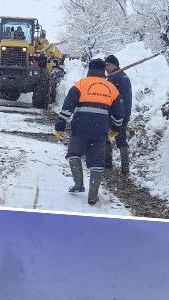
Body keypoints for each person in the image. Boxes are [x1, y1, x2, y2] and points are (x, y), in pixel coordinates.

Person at [55, 58, 124, 205]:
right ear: (103, 70)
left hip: (80, 128)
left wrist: (60, 126)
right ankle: (93, 195)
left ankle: (79, 184)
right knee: (97, 161)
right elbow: (119, 114)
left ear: (89, 70)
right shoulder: (111, 87)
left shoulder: (80, 84)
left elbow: (67, 107)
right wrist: (115, 129)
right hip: (100, 131)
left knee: (74, 154)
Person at [104, 54, 133, 174]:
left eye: (108, 65)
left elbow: (111, 98)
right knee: (121, 139)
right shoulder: (123, 76)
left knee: (105, 136)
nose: (106, 67)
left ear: (114, 65)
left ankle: (107, 163)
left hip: (115, 113)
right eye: (105, 65)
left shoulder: (114, 78)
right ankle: (125, 167)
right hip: (125, 113)